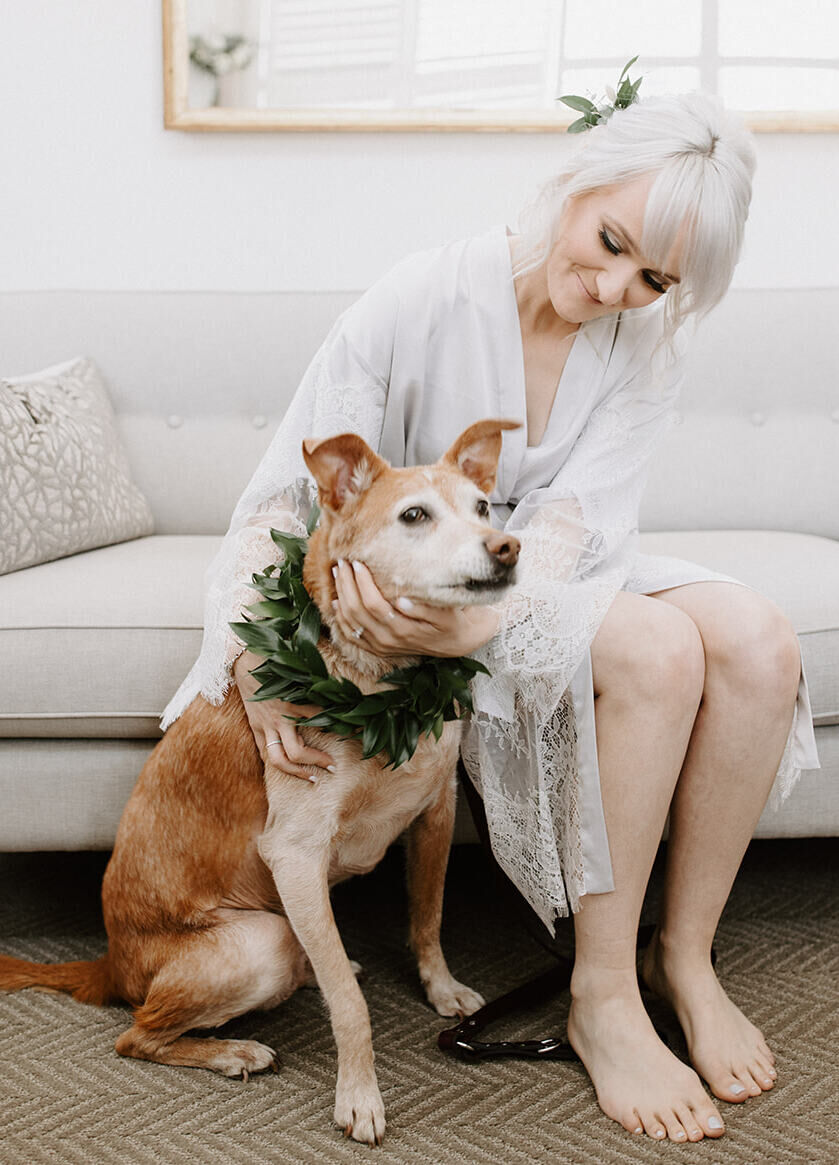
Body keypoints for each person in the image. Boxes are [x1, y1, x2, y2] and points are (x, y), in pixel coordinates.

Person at [163, 91, 820, 1143]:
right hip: (424, 585)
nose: (614, 288)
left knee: (758, 639)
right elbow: (282, 501)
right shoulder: (419, 296)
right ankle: (602, 994)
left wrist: (475, 626)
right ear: (578, 182)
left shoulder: (644, 345)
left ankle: (680, 958)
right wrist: (251, 657)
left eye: (651, 277)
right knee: (654, 649)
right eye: (609, 243)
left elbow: (566, 539)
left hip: (536, 573)